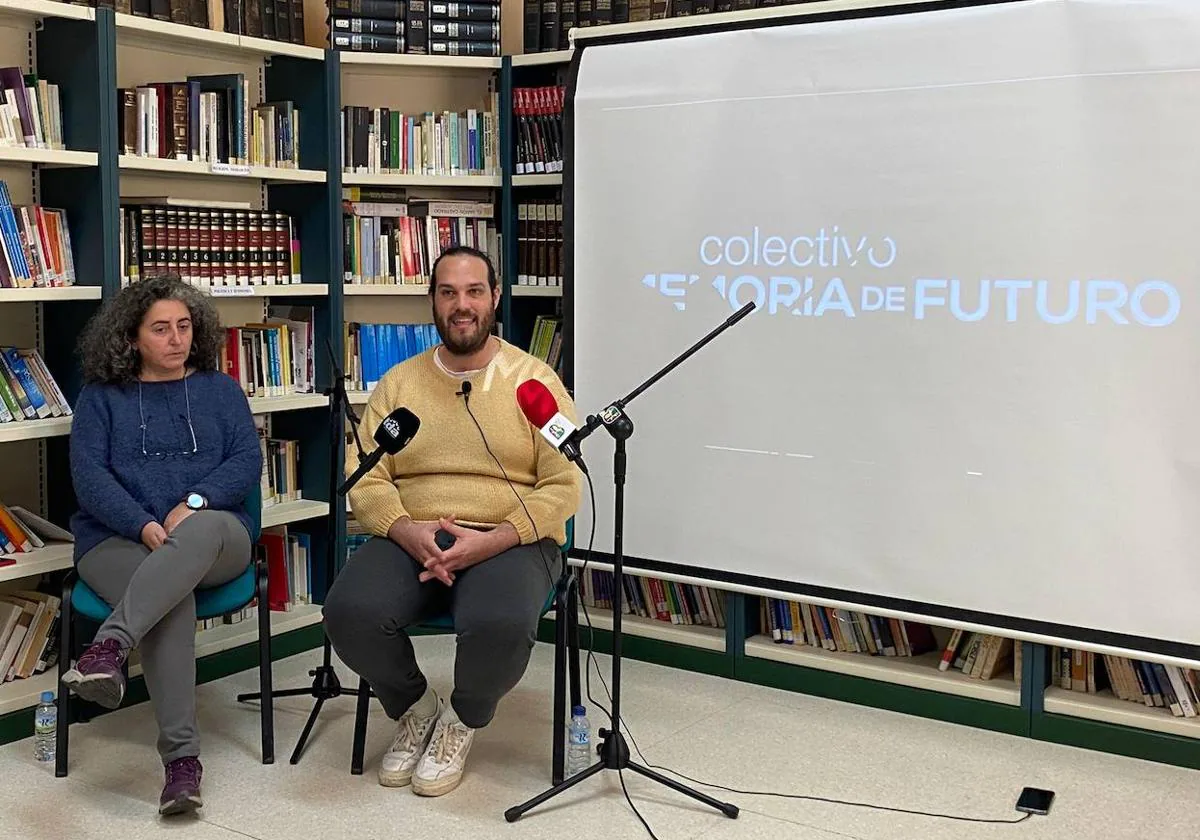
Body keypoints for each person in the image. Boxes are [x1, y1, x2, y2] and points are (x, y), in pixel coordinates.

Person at [322, 245, 581, 797]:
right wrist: (404, 530)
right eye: (447, 293)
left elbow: (564, 484)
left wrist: (492, 541)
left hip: (509, 536)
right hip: (412, 532)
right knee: (349, 613)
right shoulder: (398, 384)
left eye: (473, 291)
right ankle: (416, 705)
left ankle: (462, 718)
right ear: (433, 302)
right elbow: (363, 476)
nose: (461, 305)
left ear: (495, 297)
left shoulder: (535, 383)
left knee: (502, 622)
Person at [62, 274, 262, 817]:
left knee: (190, 542)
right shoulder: (102, 398)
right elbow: (90, 479)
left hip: (215, 536)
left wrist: (193, 503)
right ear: (130, 337)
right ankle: (182, 767)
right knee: (171, 601)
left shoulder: (220, 391)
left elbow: (245, 461)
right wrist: (144, 525)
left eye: (183, 327)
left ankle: (109, 647)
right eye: (160, 329)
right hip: (117, 540)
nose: (176, 339)